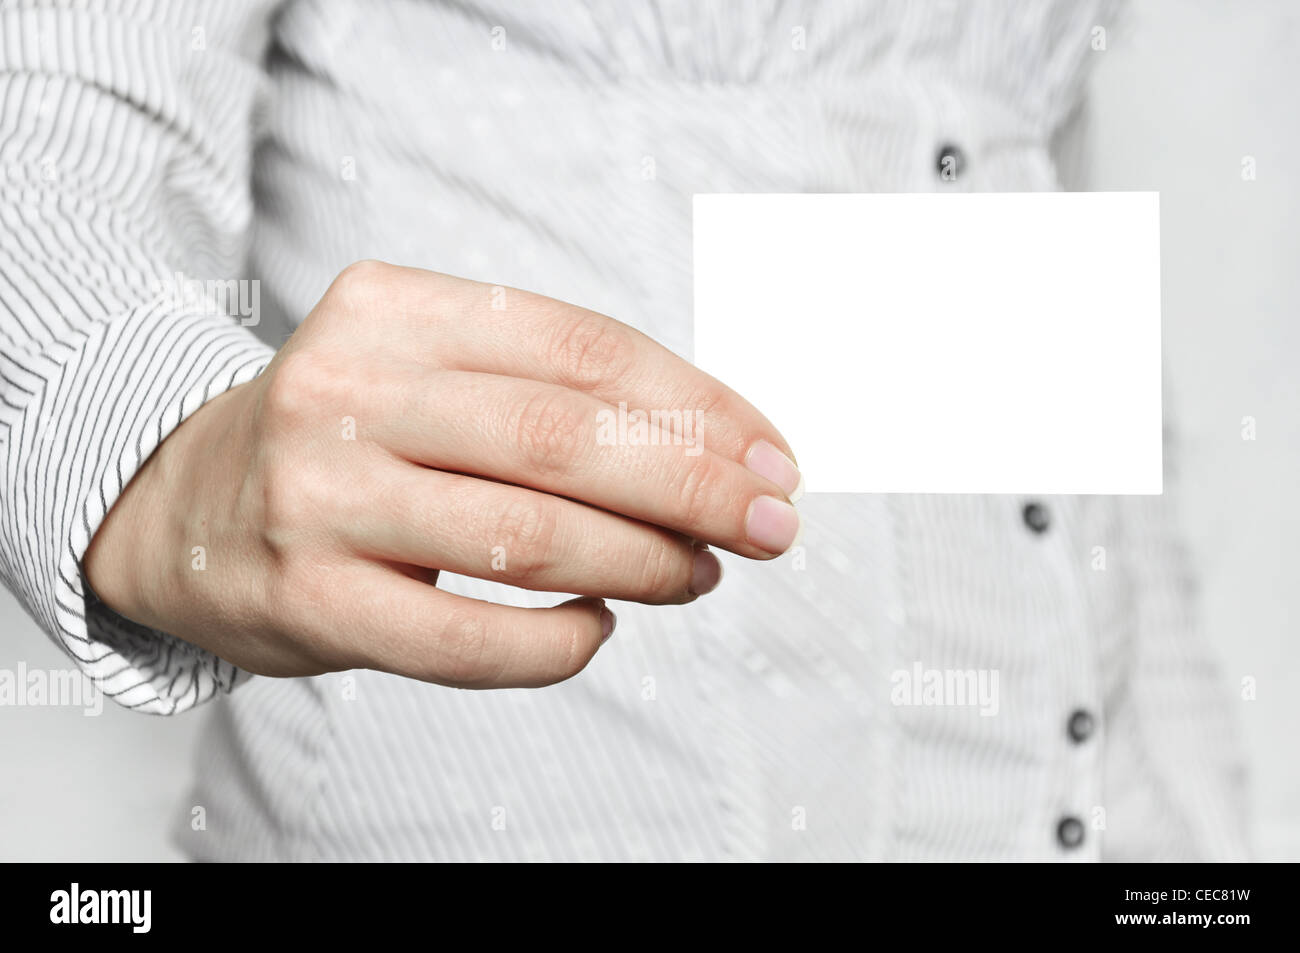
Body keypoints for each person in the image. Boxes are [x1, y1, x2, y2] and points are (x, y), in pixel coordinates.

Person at [0, 0, 1246, 860]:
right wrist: (169, 463)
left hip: (1106, 787)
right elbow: (61, 126)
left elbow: (1024, 223)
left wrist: (1202, 843)